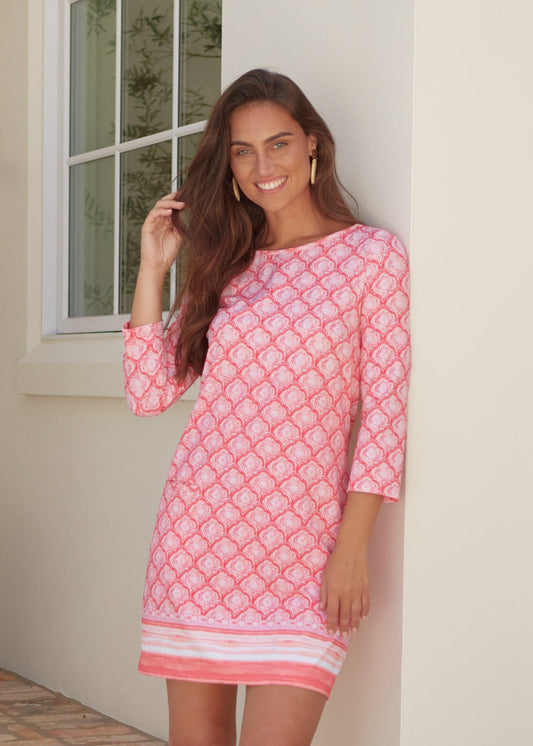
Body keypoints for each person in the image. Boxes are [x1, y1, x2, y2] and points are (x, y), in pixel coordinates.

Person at [123, 68, 410, 746]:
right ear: (227, 165)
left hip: (304, 552)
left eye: (278, 144)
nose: (262, 166)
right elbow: (148, 393)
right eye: (242, 151)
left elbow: (385, 418)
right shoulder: (227, 263)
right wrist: (153, 269)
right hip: (197, 543)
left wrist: (350, 550)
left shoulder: (371, 257)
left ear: (313, 147)